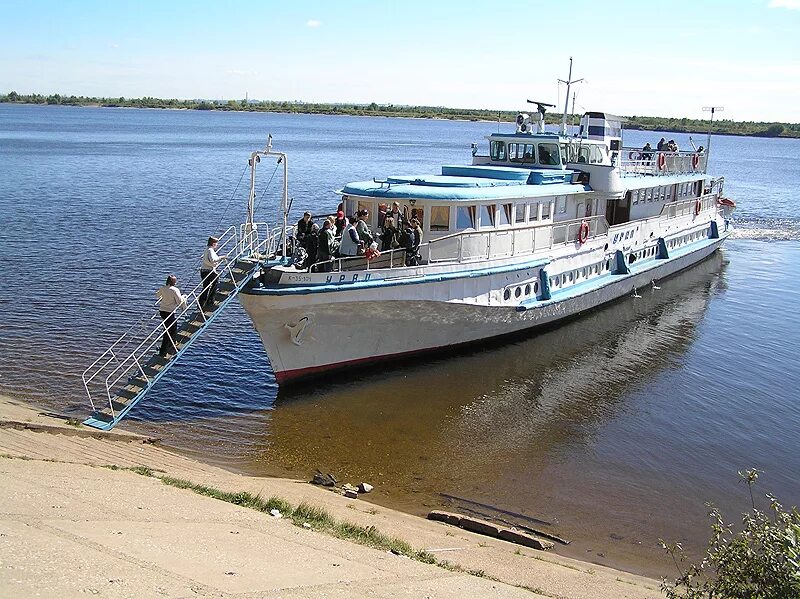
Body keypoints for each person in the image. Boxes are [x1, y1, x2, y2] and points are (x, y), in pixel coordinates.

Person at [156, 275, 186, 357]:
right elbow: (179, 301)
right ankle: (164, 350)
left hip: (162, 311)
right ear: (173, 282)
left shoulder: (163, 288)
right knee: (169, 331)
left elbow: (157, 295)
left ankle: (171, 343)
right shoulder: (175, 290)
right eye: (175, 281)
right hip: (170, 312)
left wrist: (164, 297)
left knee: (172, 327)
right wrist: (183, 298)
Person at [200, 236, 224, 309]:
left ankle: (201, 302)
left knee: (206, 287)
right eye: (216, 243)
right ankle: (210, 300)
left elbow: (206, 259)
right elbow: (213, 260)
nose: (217, 245)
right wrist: (221, 257)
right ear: (213, 244)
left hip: (203, 271)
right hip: (209, 271)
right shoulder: (210, 250)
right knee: (215, 283)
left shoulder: (207, 249)